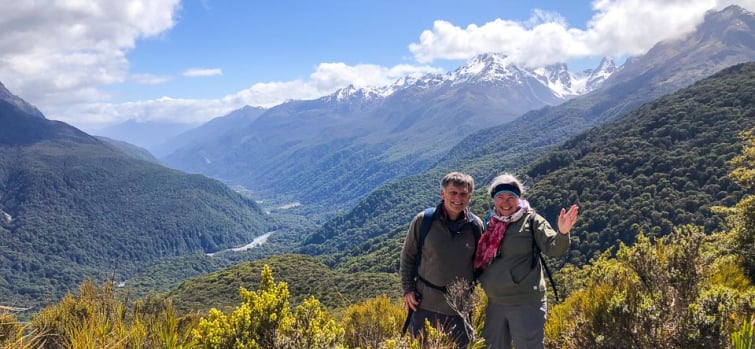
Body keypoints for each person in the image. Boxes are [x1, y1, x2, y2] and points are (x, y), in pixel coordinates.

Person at [475, 173, 579, 349]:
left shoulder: (531, 220)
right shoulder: (490, 222)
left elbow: (553, 248)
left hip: (525, 303)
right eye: (500, 197)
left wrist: (562, 233)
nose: (506, 202)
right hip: (496, 302)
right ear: (493, 200)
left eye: (511, 197)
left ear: (519, 198)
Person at [400, 171, 483, 348]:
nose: (458, 198)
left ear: (469, 197)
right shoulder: (424, 221)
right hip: (425, 305)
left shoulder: (475, 226)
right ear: (442, 194)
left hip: (460, 310)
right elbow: (408, 257)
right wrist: (408, 289)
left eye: (463, 194)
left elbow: (481, 264)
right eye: (453, 193)